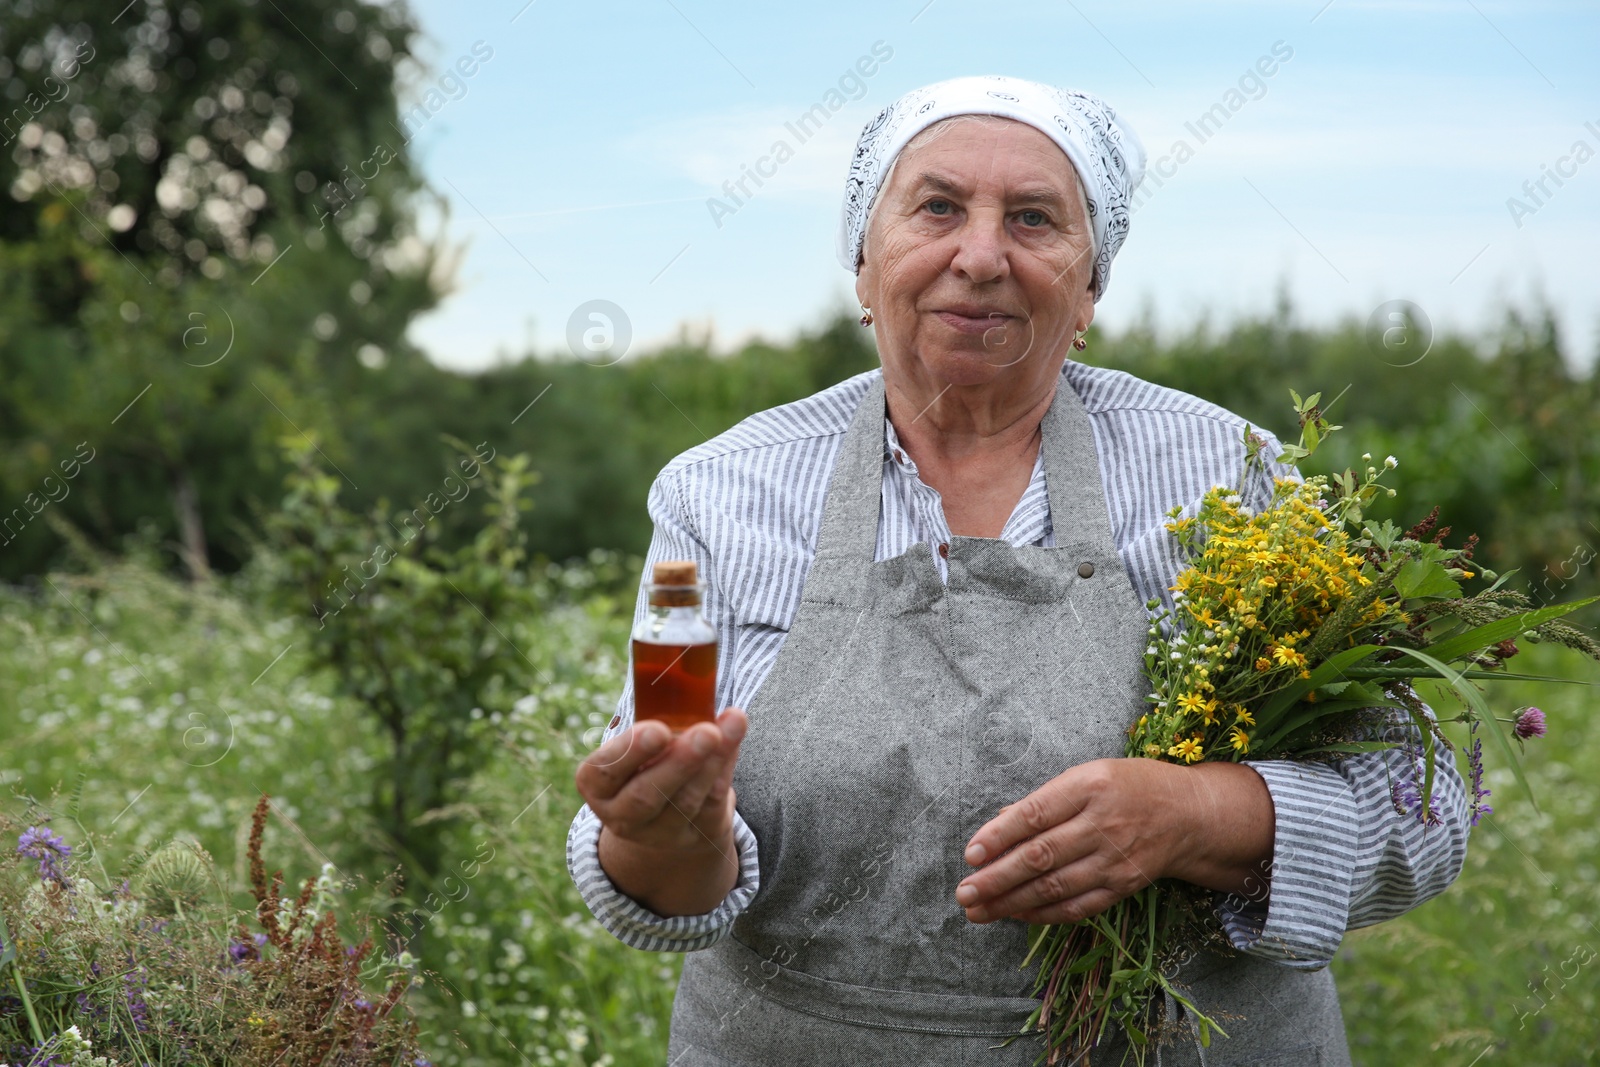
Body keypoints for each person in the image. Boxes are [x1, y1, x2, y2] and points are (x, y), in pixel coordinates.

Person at [566, 75, 1469, 1065]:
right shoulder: (722, 494)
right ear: (864, 265)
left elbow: (1420, 811)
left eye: (1033, 218)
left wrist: (1196, 813)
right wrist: (666, 834)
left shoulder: (1235, 478)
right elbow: (664, 858)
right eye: (938, 207)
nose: (982, 255)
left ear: (1088, 287)